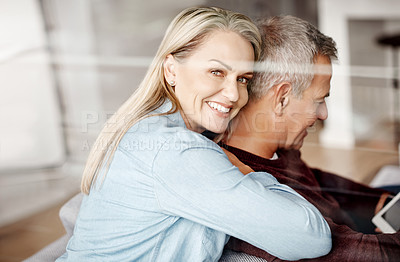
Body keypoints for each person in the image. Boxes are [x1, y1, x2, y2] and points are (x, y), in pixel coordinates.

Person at [56, 7, 332, 262]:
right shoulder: (177, 151)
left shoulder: (154, 128)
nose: (234, 94)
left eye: (242, 79)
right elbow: (311, 239)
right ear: (171, 70)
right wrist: (244, 170)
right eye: (216, 72)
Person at [221, 15, 400, 261]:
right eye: (319, 100)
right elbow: (350, 252)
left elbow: (315, 178)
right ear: (282, 98)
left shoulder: (276, 147)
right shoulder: (255, 196)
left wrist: (379, 201)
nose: (323, 114)